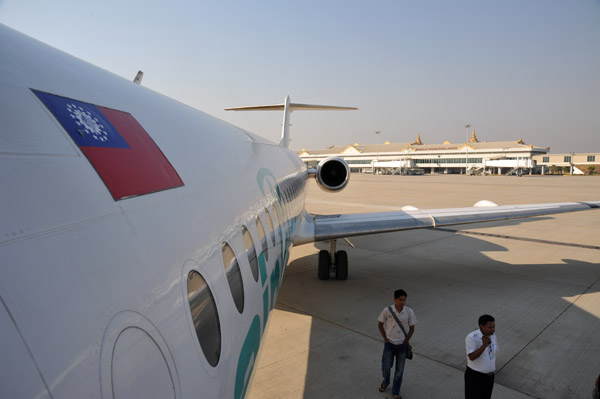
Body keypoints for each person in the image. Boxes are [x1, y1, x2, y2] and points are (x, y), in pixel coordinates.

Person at [377, 289, 417, 399]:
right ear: (395, 299)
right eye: (400, 300)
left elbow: (412, 328)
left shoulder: (409, 312)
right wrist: (385, 338)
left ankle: (396, 391)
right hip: (389, 344)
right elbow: (380, 324)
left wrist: (406, 340)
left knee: (399, 370)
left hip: (402, 346)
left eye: (404, 300)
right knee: (386, 366)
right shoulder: (387, 310)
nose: (403, 302)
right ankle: (385, 382)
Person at [465, 314, 498, 399]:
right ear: (481, 326)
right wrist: (483, 346)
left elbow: (493, 353)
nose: (493, 330)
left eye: (494, 327)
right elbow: (471, 357)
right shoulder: (472, 337)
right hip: (475, 377)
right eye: (490, 327)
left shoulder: (493, 336)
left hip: (489, 377)